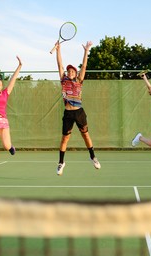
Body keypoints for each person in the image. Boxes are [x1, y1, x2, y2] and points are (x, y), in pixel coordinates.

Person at [53, 40, 100, 176]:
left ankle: (93, 157)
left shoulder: (79, 81)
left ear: (76, 72)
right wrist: (58, 50)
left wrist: (86, 51)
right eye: (69, 70)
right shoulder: (63, 80)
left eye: (72, 70)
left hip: (79, 112)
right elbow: (59, 65)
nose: (70, 72)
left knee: (85, 135)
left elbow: (84, 66)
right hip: (68, 113)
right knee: (64, 139)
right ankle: (61, 163)